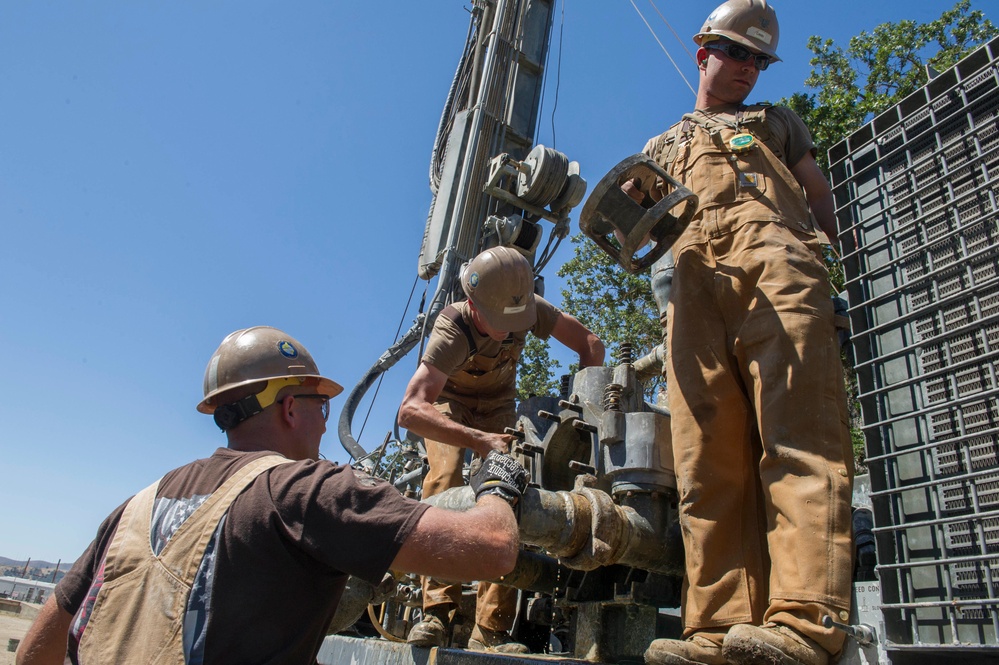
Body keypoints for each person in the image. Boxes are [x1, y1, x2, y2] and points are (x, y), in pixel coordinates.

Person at [16, 326, 529, 665]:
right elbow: (492, 547)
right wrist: (499, 479)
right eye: (320, 407)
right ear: (288, 407)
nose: (326, 424)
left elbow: (35, 654)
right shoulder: (306, 490)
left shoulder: (135, 507)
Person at [626, 2, 855, 665]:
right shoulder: (657, 148)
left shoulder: (777, 124)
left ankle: (806, 619)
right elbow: (634, 234)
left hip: (776, 263)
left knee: (798, 432)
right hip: (689, 290)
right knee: (705, 457)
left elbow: (818, 196)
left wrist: (860, 264)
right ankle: (716, 624)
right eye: (738, 54)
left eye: (759, 59)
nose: (749, 69)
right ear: (704, 54)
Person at [398, 245, 605, 653]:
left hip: (498, 408)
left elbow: (591, 345)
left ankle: (490, 631)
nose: (506, 330)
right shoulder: (451, 328)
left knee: (506, 489)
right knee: (446, 478)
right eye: (497, 323)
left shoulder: (527, 305)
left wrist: (586, 410)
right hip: (448, 405)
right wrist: (477, 440)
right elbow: (410, 410)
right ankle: (437, 614)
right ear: (474, 304)